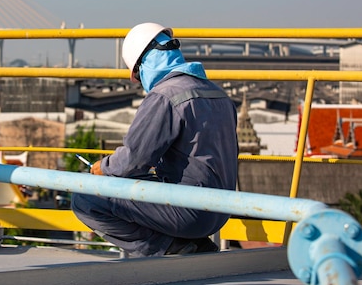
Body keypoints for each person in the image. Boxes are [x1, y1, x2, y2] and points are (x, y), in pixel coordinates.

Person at [71, 22, 239, 257]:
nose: (139, 83)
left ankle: (167, 247)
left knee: (86, 199)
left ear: (143, 64)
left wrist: (103, 168)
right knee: (143, 180)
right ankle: (194, 244)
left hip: (191, 212)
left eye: (138, 76)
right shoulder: (217, 93)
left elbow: (132, 160)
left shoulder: (165, 96)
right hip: (221, 211)